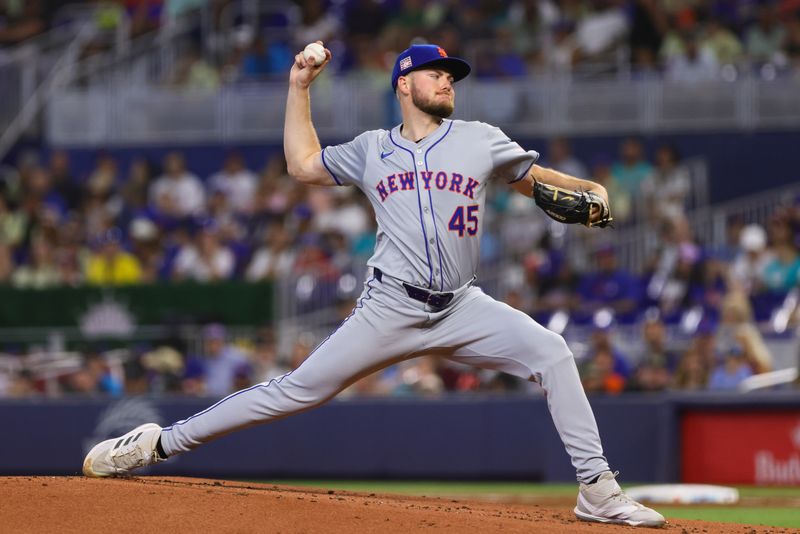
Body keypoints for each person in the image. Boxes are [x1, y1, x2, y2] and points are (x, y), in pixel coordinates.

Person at [82, 42, 664, 528]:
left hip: (463, 304)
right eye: (436, 74)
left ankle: (597, 490)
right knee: (295, 391)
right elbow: (303, 164)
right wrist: (299, 87)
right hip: (390, 305)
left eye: (451, 76)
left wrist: (594, 189)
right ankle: (159, 444)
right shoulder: (370, 150)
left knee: (553, 352)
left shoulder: (480, 139)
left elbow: (539, 180)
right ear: (404, 84)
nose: (447, 82)